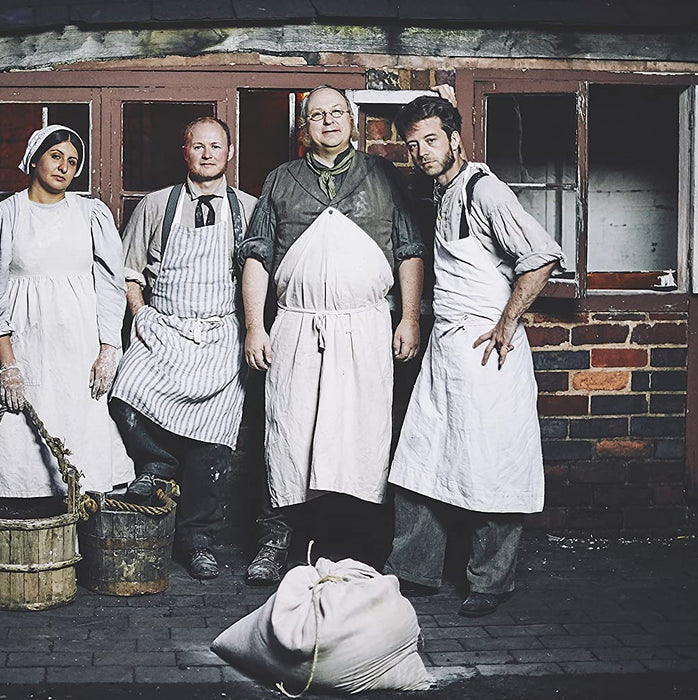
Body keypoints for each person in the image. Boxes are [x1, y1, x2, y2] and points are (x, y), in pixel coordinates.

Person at [384, 94, 563, 617]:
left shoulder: (486, 190)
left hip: (487, 352)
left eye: (431, 140)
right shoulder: (439, 192)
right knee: (421, 457)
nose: (421, 153)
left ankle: (491, 582)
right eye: (413, 145)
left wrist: (508, 321)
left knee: (492, 465)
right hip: (445, 351)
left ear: (456, 138)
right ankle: (413, 572)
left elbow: (541, 254)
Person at [239, 85, 426, 585]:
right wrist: (255, 326)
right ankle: (275, 542)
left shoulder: (382, 175)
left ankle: (355, 547)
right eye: (317, 115)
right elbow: (256, 255)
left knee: (360, 436)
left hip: (365, 327)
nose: (328, 122)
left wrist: (408, 318)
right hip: (297, 326)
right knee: (289, 431)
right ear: (305, 127)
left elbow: (409, 250)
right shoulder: (281, 180)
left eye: (337, 113)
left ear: (353, 120)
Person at [109, 117, 257, 580]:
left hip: (220, 337)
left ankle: (198, 540)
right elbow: (128, 271)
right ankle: (157, 460)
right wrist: (142, 314)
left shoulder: (249, 209)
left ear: (229, 153)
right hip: (164, 328)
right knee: (125, 392)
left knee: (212, 445)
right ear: (185, 152)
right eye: (199, 146)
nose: (208, 154)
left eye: (217, 146)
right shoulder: (156, 206)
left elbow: (262, 276)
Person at [0, 125, 133, 515]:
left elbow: (111, 286)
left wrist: (109, 349)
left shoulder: (90, 214)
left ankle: (70, 542)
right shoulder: (3, 216)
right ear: (35, 157)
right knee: (14, 445)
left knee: (77, 441)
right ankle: (17, 532)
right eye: (56, 156)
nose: (64, 167)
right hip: (19, 345)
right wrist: (8, 364)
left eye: (73, 162)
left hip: (76, 348)